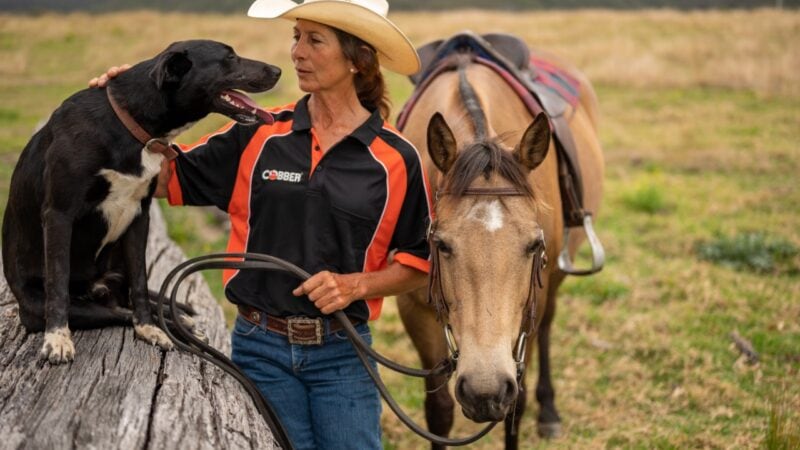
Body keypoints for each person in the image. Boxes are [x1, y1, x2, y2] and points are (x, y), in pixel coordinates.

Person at [92, 1, 431, 448]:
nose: (297, 52)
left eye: (314, 40)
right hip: (260, 348)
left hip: (343, 354)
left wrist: (356, 286)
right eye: (296, 37)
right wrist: (123, 105)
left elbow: (416, 262)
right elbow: (161, 177)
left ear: (357, 59)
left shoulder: (396, 159)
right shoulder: (262, 132)